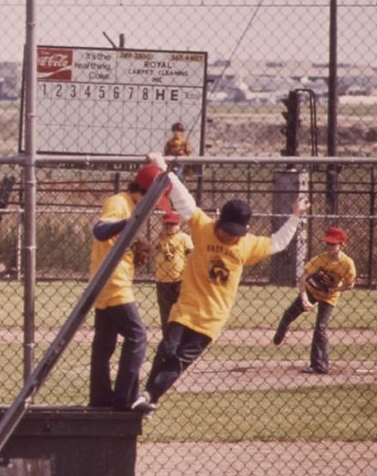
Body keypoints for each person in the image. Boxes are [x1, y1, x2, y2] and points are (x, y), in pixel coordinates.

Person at [132, 154, 310, 416]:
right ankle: (148, 397)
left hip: (212, 320)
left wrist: (295, 216)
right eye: (226, 229)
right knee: (166, 351)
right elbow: (182, 197)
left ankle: (149, 397)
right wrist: (162, 168)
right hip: (186, 309)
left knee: (179, 361)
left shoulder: (247, 244)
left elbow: (278, 242)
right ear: (218, 220)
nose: (229, 236)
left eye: (235, 232)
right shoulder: (203, 227)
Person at [88, 161, 173, 410]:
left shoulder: (130, 205)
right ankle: (124, 398)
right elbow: (101, 231)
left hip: (108, 281)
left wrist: (136, 243)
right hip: (114, 281)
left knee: (104, 344)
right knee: (137, 336)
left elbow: (117, 238)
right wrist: (130, 223)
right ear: (143, 191)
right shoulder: (120, 202)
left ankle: (100, 399)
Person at [273, 226, 357, 374]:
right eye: (328, 243)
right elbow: (302, 279)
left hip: (329, 297)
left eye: (333, 244)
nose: (329, 246)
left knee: (320, 328)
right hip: (312, 292)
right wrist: (305, 298)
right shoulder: (320, 259)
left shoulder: (347, 263)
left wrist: (334, 290)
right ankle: (279, 338)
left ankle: (319, 366)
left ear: (342, 245)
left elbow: (349, 285)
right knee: (288, 314)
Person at [154, 211, 193, 329]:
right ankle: (166, 337)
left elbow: (191, 257)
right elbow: (151, 249)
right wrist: (158, 238)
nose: (169, 227)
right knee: (165, 314)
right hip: (162, 281)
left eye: (172, 224)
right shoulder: (161, 238)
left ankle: (179, 337)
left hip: (178, 280)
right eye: (167, 225)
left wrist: (186, 278)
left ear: (179, 225)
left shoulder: (183, 238)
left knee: (179, 314)